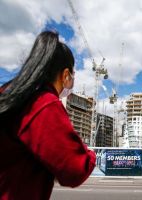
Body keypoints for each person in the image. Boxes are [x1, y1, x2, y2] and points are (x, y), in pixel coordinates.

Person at [0, 31, 96, 199]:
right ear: (66, 75)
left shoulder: (10, 92)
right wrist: (91, 154)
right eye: (72, 76)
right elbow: (75, 169)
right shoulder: (44, 103)